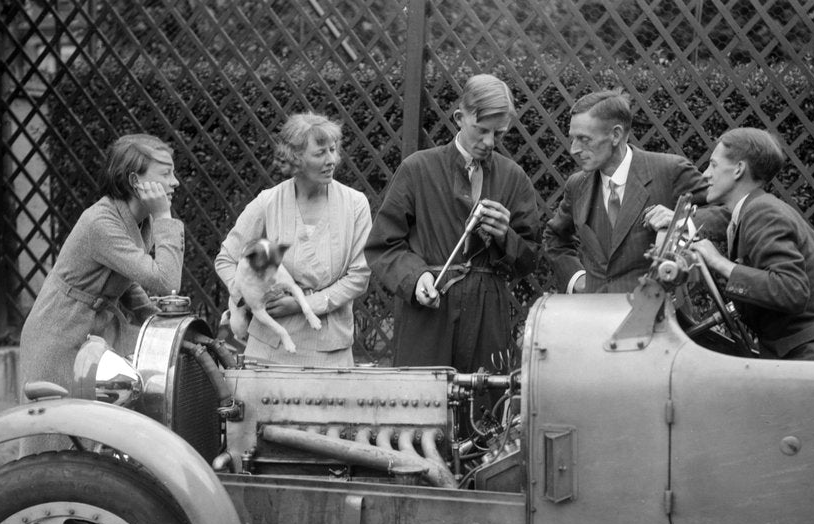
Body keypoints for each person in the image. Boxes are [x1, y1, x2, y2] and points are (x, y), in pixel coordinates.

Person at [364, 73, 539, 374]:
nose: (488, 143)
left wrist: (504, 236)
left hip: (488, 315)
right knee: (423, 406)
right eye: (481, 130)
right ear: (460, 117)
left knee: (484, 409)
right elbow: (384, 245)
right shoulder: (418, 169)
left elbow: (529, 257)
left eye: (499, 135)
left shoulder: (513, 177)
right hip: (430, 310)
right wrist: (416, 278)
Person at [20, 132, 184, 398]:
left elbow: (126, 280)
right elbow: (166, 282)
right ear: (135, 181)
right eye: (165, 174)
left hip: (91, 340)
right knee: (58, 428)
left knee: (95, 429)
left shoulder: (142, 221)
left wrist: (156, 320)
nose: (175, 182)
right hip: (58, 335)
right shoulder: (101, 222)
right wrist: (164, 215)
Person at [689, 127, 814, 361]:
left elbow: (792, 289)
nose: (705, 174)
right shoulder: (754, 211)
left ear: (739, 169)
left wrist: (718, 262)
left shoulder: (762, 212)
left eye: (713, 164)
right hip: (807, 353)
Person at [215, 112, 371, 367]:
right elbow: (226, 259)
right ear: (296, 159)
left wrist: (301, 305)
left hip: (330, 348)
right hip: (268, 347)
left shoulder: (355, 204)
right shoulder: (269, 201)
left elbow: (358, 278)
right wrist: (248, 297)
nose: (331, 160)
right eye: (320, 153)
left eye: (333, 150)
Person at [544, 89, 728, 294]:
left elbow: (728, 211)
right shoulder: (577, 185)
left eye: (584, 139)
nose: (574, 149)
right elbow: (554, 237)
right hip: (597, 317)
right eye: (573, 138)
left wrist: (681, 221)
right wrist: (576, 278)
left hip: (658, 315)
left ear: (615, 135)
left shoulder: (669, 170)